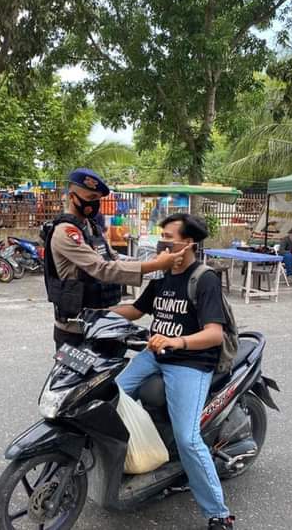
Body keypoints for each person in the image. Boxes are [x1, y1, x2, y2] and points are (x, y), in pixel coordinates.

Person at [112, 213, 235, 530]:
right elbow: (138, 309)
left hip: (190, 361)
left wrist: (176, 341)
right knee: (109, 397)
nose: (162, 241)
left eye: (169, 236)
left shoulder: (204, 278)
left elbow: (214, 334)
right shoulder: (163, 274)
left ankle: (217, 513)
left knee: (188, 438)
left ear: (188, 243)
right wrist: (98, 314)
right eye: (161, 235)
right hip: (156, 354)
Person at [44, 167, 186, 350]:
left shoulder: (90, 226)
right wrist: (155, 265)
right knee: (81, 379)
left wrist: (153, 262)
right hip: (76, 328)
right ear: (72, 197)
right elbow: (101, 269)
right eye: (90, 199)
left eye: (98, 199)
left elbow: (114, 258)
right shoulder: (66, 231)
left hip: (102, 323)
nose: (95, 204)